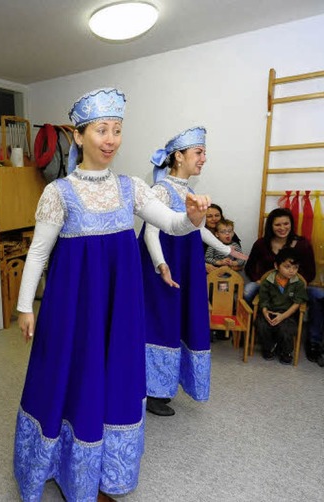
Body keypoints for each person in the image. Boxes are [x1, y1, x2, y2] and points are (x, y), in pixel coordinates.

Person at [14, 88, 211, 502]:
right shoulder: (59, 192)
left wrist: (192, 219)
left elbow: (172, 224)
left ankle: (104, 473)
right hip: (72, 311)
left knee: (114, 381)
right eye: (101, 130)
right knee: (70, 380)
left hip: (120, 311)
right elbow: (38, 251)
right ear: (80, 135)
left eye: (117, 130)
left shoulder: (132, 188)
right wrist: (23, 306)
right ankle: (60, 465)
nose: (110, 139)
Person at [139, 127, 247, 417]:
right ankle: (151, 390)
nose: (203, 159)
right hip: (161, 269)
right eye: (198, 153)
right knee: (160, 323)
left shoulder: (189, 192)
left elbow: (199, 231)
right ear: (178, 156)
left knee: (179, 322)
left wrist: (228, 251)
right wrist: (162, 266)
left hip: (183, 267)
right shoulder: (160, 190)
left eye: (203, 153)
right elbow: (151, 233)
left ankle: (163, 386)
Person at [243, 207, 320, 361]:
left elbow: (311, 272)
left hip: (296, 285)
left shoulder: (302, 244)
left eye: (286, 224)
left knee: (319, 296)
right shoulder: (261, 243)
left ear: (291, 224)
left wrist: (296, 282)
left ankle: (314, 342)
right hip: (269, 283)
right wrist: (258, 279)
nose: (282, 228)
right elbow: (250, 267)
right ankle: (251, 331)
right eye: (278, 225)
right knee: (247, 291)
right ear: (271, 226)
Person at [256, 248, 308, 364]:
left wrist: (283, 316)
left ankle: (286, 352)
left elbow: (297, 303)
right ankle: (268, 348)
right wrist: (265, 312)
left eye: (295, 268)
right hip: (269, 310)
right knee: (262, 325)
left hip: (287, 313)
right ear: (276, 266)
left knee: (286, 329)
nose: (292, 271)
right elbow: (263, 299)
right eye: (287, 267)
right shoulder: (268, 280)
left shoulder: (298, 283)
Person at [204, 203, 242, 272]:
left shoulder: (230, 235)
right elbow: (191, 258)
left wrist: (232, 265)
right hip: (207, 273)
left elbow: (240, 262)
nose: (214, 219)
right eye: (209, 216)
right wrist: (205, 265)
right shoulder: (197, 234)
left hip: (230, 272)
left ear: (221, 216)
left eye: (217, 215)